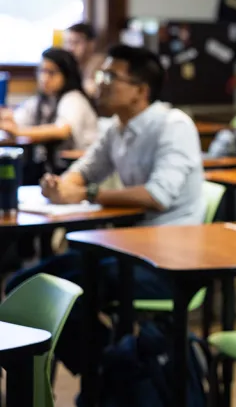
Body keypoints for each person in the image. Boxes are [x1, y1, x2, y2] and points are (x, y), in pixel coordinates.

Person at [5, 45, 205, 370]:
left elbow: (158, 195)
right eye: (101, 75)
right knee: (23, 286)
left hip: (167, 260)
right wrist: (58, 186)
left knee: (64, 298)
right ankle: (107, 368)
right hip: (127, 250)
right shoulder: (116, 128)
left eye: (110, 77)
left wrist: (88, 194)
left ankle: (108, 372)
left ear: (141, 90)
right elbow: (82, 172)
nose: (100, 83)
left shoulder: (172, 125)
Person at [0, 48, 98, 178]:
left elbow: (62, 130)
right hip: (53, 169)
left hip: (79, 169)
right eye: (42, 71)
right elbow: (17, 120)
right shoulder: (41, 101)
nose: (44, 78)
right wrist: (7, 121)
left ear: (66, 74)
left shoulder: (73, 98)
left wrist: (18, 132)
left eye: (51, 72)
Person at [64, 22, 106, 99]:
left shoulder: (102, 64)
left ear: (91, 44)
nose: (70, 48)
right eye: (68, 42)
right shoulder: (68, 64)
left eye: (76, 42)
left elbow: (95, 90)